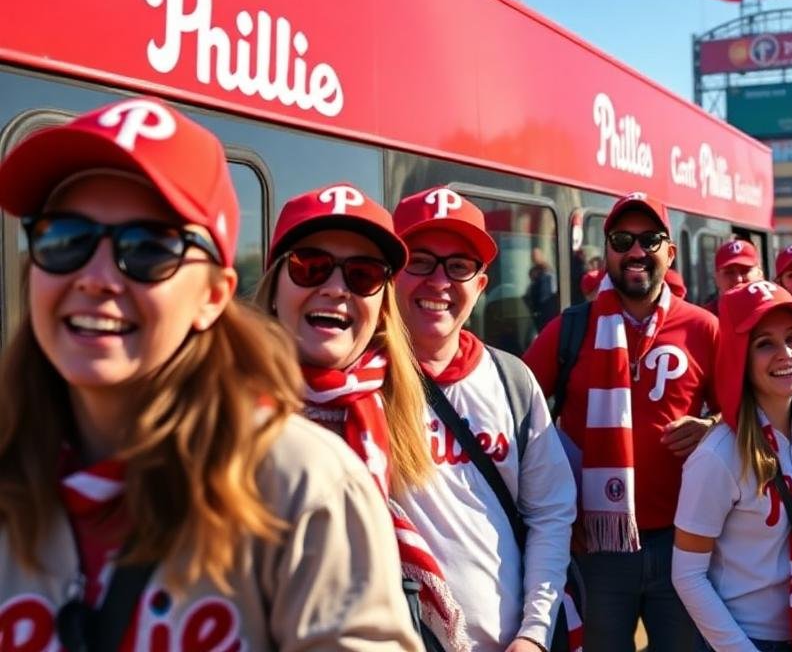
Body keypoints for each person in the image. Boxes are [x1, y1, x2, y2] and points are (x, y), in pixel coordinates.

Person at [0, 98, 419, 649]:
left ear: (214, 296)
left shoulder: (301, 487)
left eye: (149, 247)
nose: (96, 277)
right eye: (64, 238)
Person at [254, 181, 469, 651]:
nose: (335, 288)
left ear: (381, 305)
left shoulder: (404, 408)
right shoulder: (218, 414)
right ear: (274, 286)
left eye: (363, 274)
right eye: (309, 266)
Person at [523, 191, 719, 652]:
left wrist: (713, 427)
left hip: (684, 544)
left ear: (669, 253)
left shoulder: (703, 327)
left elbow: (743, 412)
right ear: (607, 249)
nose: (636, 251)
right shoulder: (569, 327)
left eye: (650, 240)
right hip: (595, 548)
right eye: (622, 239)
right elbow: (516, 407)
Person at [391, 186, 577, 652]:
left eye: (459, 266)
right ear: (391, 273)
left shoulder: (513, 381)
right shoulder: (359, 387)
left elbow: (550, 514)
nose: (439, 281)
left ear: (480, 284)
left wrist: (534, 634)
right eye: (420, 260)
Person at [673, 281, 792, 652]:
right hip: (743, 640)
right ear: (739, 357)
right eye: (764, 343)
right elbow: (687, 575)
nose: (785, 353)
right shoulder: (718, 456)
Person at [703, 240, 763, 316]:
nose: (738, 279)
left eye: (745, 271)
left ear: (759, 274)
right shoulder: (706, 320)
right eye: (729, 272)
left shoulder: (773, 315)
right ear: (716, 278)